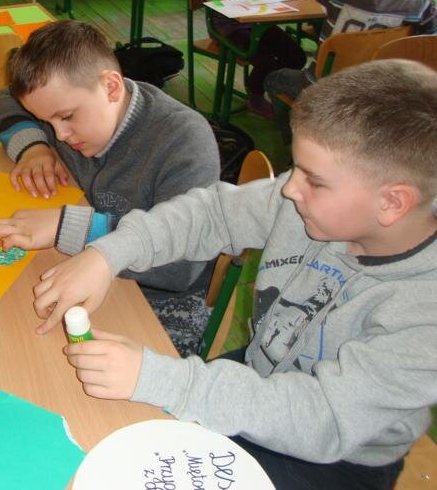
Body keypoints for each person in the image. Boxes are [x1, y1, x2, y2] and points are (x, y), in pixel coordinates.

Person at [49, 60, 437, 490]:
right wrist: (109, 254)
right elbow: (212, 214)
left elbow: (324, 417)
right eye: (294, 169)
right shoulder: (309, 204)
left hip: (336, 458)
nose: (289, 188)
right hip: (258, 377)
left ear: (392, 203)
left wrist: (163, 379)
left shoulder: (425, 313)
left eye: (314, 180)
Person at [0, 20, 220, 356]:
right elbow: (8, 96)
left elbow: (182, 265)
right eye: (48, 121)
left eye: (66, 117)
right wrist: (33, 146)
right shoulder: (70, 105)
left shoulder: (184, 141)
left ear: (111, 87)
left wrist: (68, 227)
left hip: (161, 301)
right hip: (88, 271)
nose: (60, 135)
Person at [265, 0, 437, 143]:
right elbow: (429, 41)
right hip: (381, 94)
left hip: (325, 88)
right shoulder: (419, 1)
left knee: (274, 79)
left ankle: (294, 141)